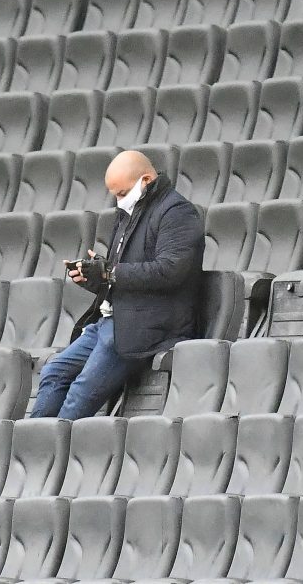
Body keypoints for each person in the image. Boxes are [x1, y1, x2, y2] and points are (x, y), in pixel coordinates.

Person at [29, 150, 205, 420]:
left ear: (145, 180)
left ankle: (52, 451)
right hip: (112, 320)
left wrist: (109, 272)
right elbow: (121, 275)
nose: (118, 200)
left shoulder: (177, 212)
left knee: (81, 391)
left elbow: (171, 271)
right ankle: (33, 443)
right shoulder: (131, 212)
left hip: (146, 326)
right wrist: (94, 278)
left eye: (122, 193)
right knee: (54, 372)